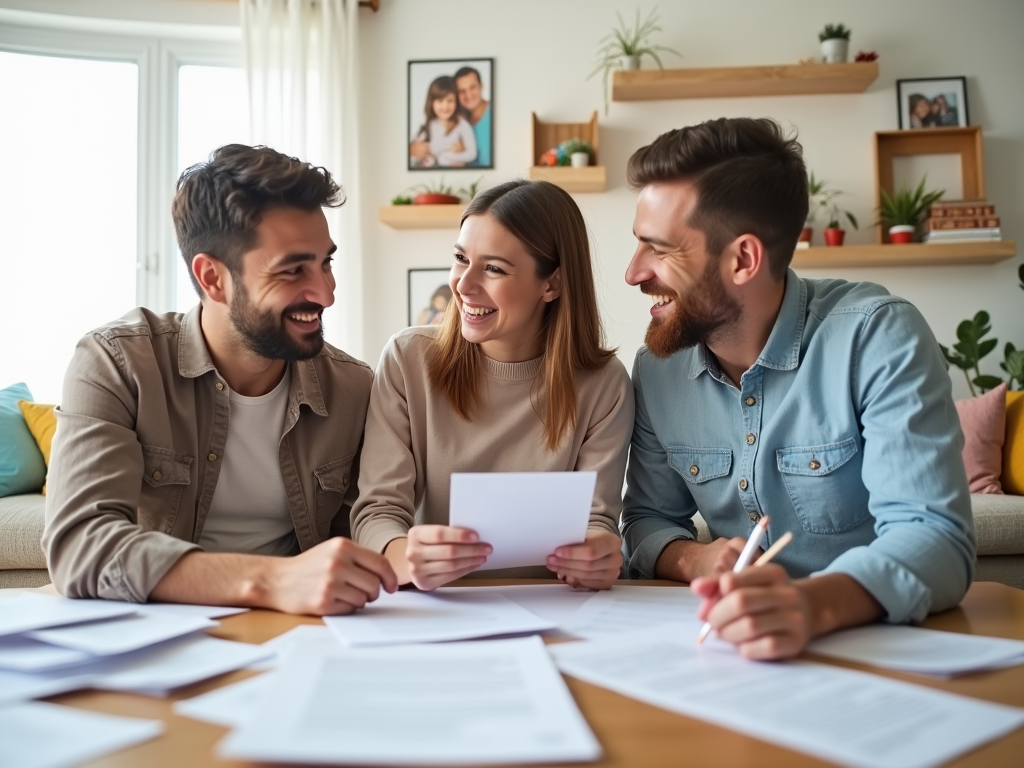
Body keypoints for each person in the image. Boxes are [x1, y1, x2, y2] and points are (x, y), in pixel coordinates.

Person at [620, 118, 975, 660]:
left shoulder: (876, 335)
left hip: (871, 650)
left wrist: (808, 606)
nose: (633, 272)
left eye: (659, 249)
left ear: (743, 259)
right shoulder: (658, 369)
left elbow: (936, 539)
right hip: (721, 655)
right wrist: (693, 559)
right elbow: (646, 520)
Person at [43, 144, 397, 614]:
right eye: (293, 270)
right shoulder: (117, 362)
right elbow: (80, 546)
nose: (326, 293)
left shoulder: (353, 387)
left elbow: (363, 532)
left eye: (326, 262)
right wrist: (271, 581)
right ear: (212, 278)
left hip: (303, 630)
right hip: (158, 629)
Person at [351, 180, 633, 590]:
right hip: (438, 605)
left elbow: (596, 521)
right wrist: (403, 556)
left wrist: (600, 553)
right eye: (461, 258)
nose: (463, 285)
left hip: (556, 605)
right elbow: (377, 512)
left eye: (494, 268)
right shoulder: (407, 360)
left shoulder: (605, 385)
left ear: (551, 284)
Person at [409, 75, 477, 168]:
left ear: (456, 101)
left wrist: (446, 157)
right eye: (440, 101)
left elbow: (472, 154)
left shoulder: (462, 125)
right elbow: (413, 159)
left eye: (450, 101)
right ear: (431, 102)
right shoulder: (427, 127)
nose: (445, 107)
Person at [455, 66, 492, 167]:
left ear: (481, 87)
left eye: (472, 87)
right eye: (462, 91)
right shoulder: (456, 120)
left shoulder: (495, 113)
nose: (468, 95)